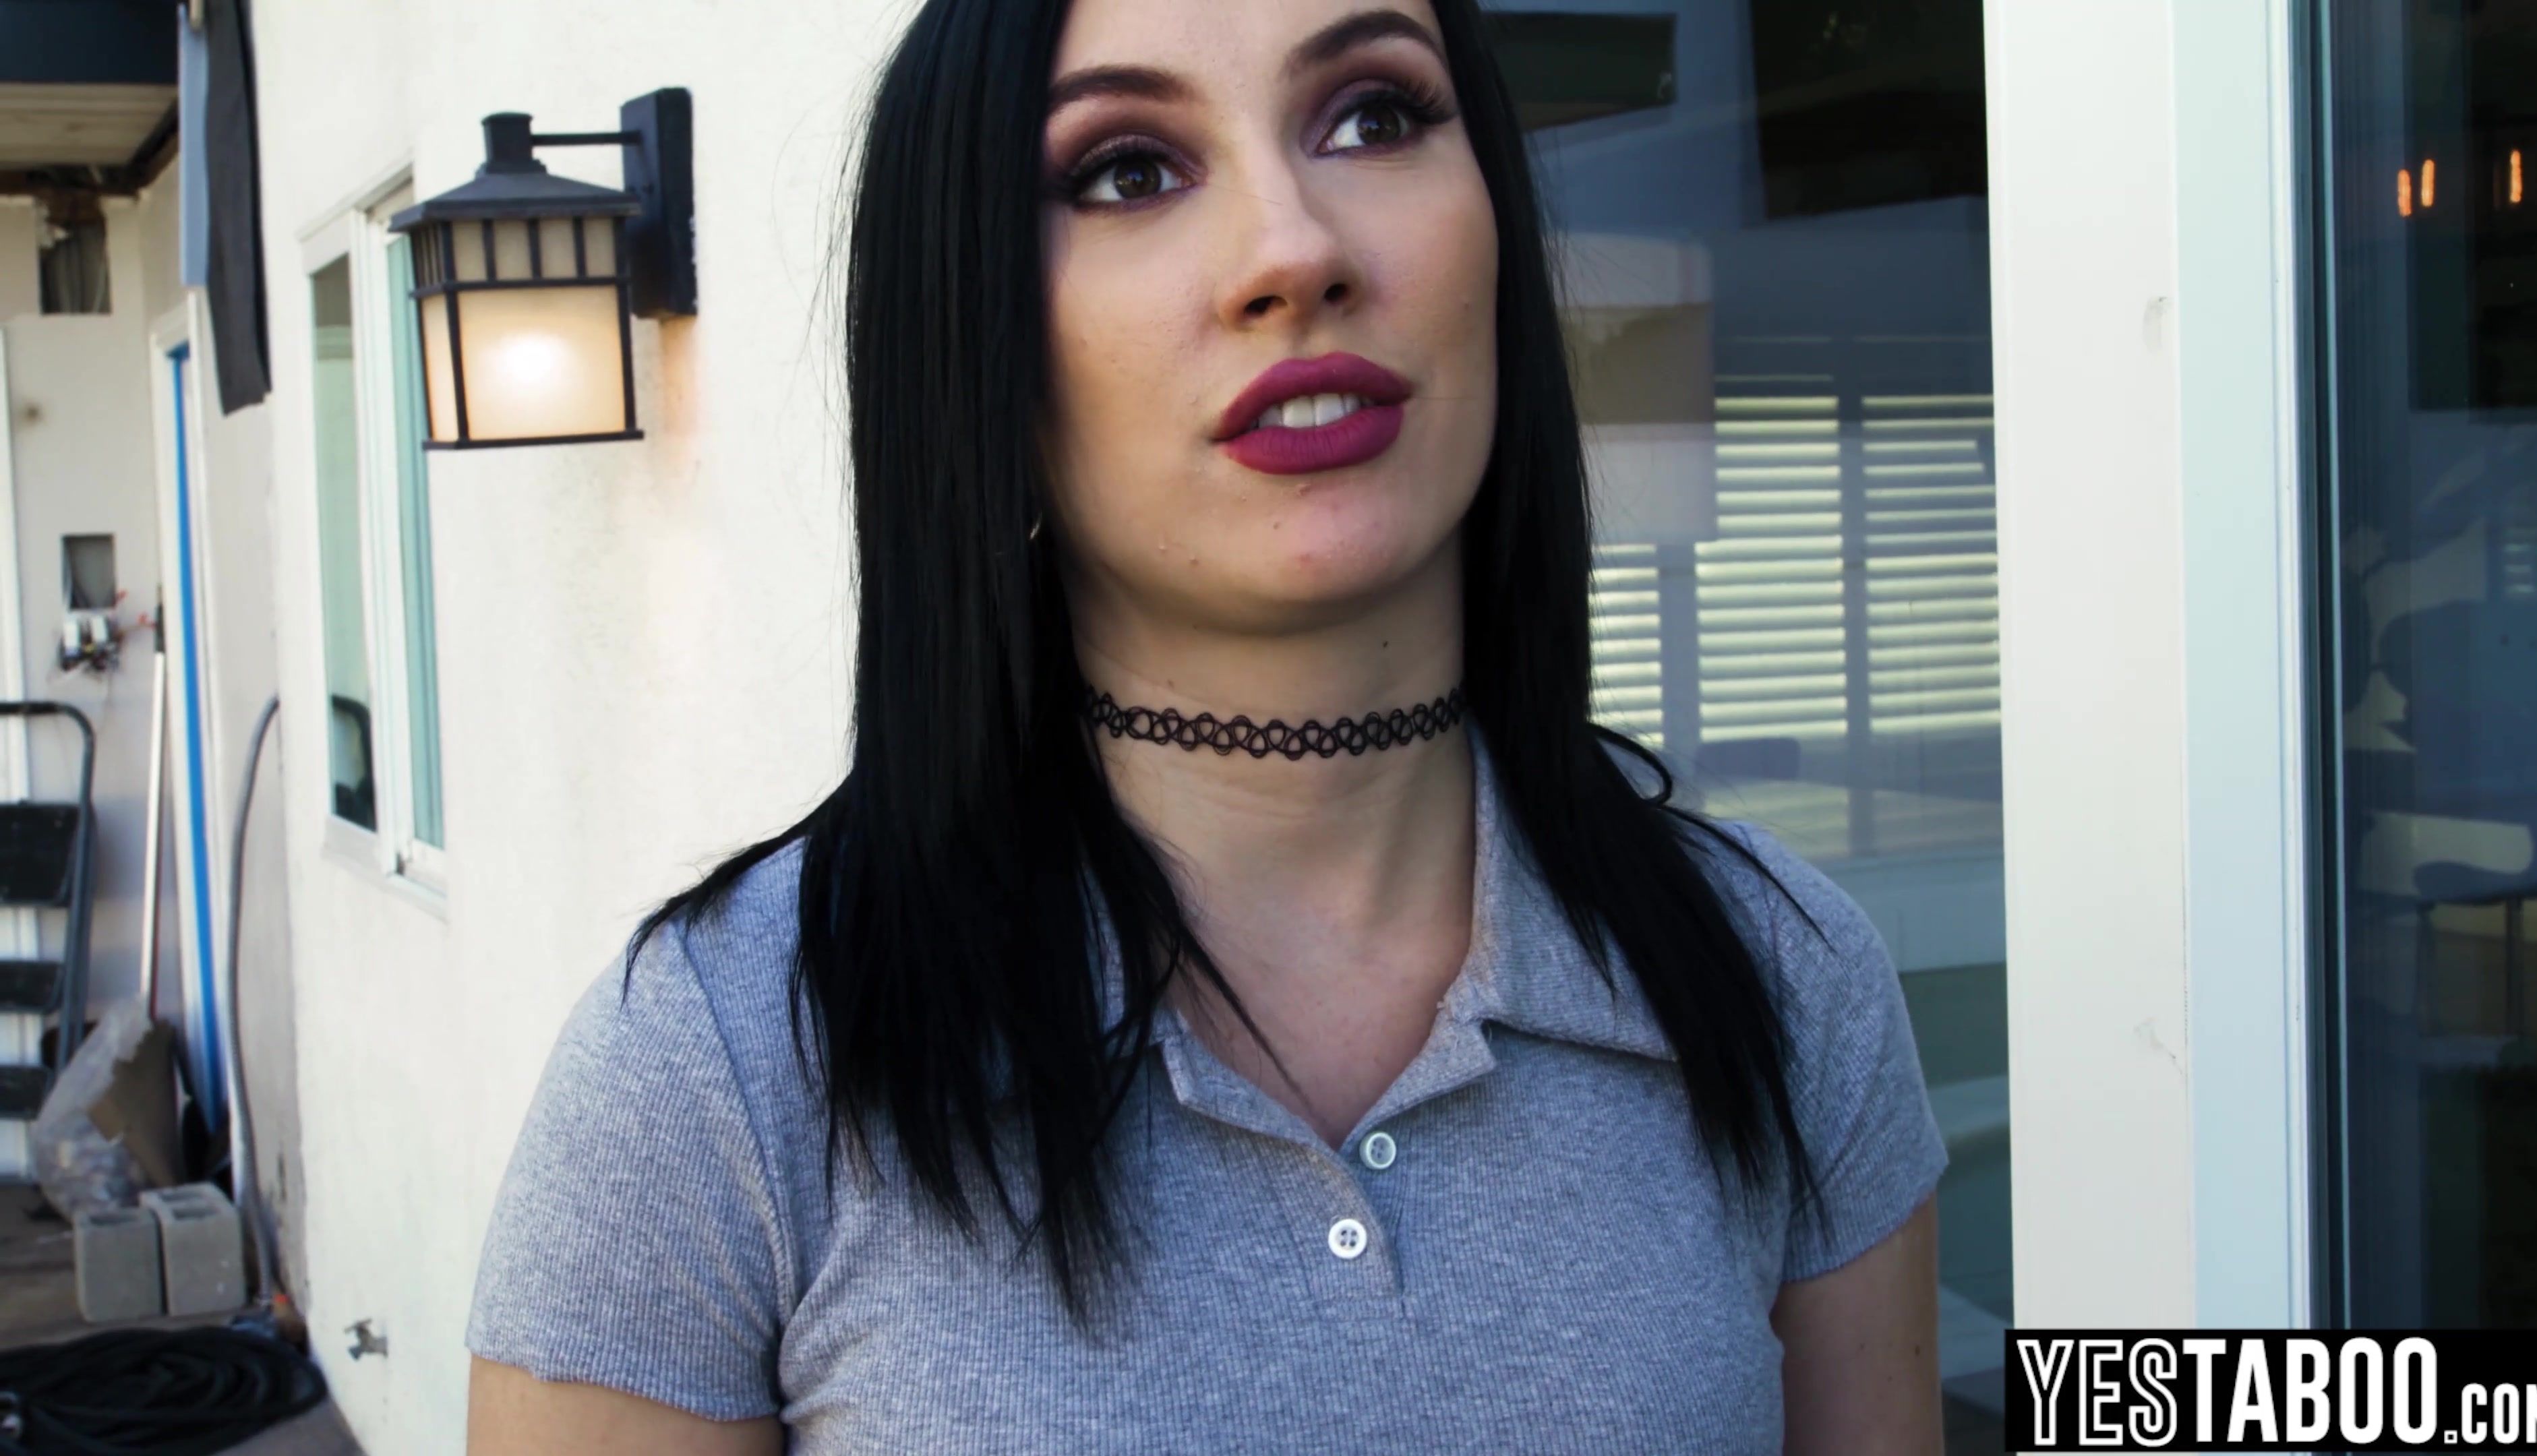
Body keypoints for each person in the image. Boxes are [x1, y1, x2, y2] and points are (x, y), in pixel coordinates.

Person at [463, 0, 1948, 1449]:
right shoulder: (722, 1069)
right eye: (1127, 170)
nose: (1294, 250)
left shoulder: (1785, 981)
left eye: (1375, 116)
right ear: (976, 330)